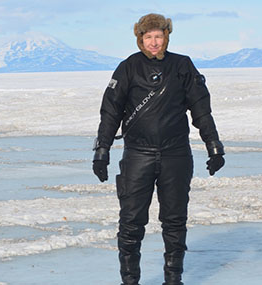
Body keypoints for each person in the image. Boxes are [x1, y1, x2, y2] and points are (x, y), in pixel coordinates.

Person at [92, 13, 225, 285]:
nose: (154, 42)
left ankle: (173, 280)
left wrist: (213, 145)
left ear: (167, 37)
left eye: (159, 36)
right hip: (138, 156)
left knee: (175, 222)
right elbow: (110, 112)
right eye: (148, 36)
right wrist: (102, 150)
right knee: (131, 223)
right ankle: (130, 281)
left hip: (176, 155)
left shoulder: (182, 65)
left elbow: (201, 109)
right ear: (140, 38)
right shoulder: (128, 67)